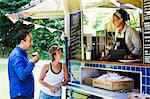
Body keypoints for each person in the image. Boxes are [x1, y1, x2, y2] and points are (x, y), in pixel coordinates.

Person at [8, 32, 39, 99]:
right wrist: (32, 62)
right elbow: (22, 75)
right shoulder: (17, 55)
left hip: (25, 94)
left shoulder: (22, 54)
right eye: (29, 41)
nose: (31, 44)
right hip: (21, 95)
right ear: (22, 42)